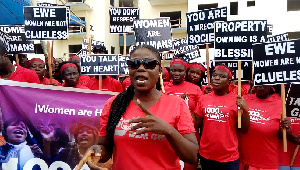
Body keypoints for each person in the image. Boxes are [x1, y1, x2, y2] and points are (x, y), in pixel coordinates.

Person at [89, 45, 198, 169]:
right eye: (134, 64)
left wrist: (169, 131)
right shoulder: (113, 104)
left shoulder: (177, 104)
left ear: (160, 71)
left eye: (149, 64)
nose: (140, 68)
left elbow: (192, 156)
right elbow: (105, 149)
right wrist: (96, 152)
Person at [194, 64, 250, 170]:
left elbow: (243, 129)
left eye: (222, 76)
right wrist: (186, 104)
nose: (217, 78)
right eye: (214, 75)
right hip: (206, 154)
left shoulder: (236, 100)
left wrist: (245, 111)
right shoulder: (203, 98)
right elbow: (196, 124)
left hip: (229, 157)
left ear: (229, 81)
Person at [239, 85, 291, 169]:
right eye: (257, 83)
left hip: (266, 163)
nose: (260, 86)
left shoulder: (280, 103)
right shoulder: (244, 99)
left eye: (264, 84)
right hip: (242, 161)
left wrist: (286, 128)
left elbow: (284, 136)